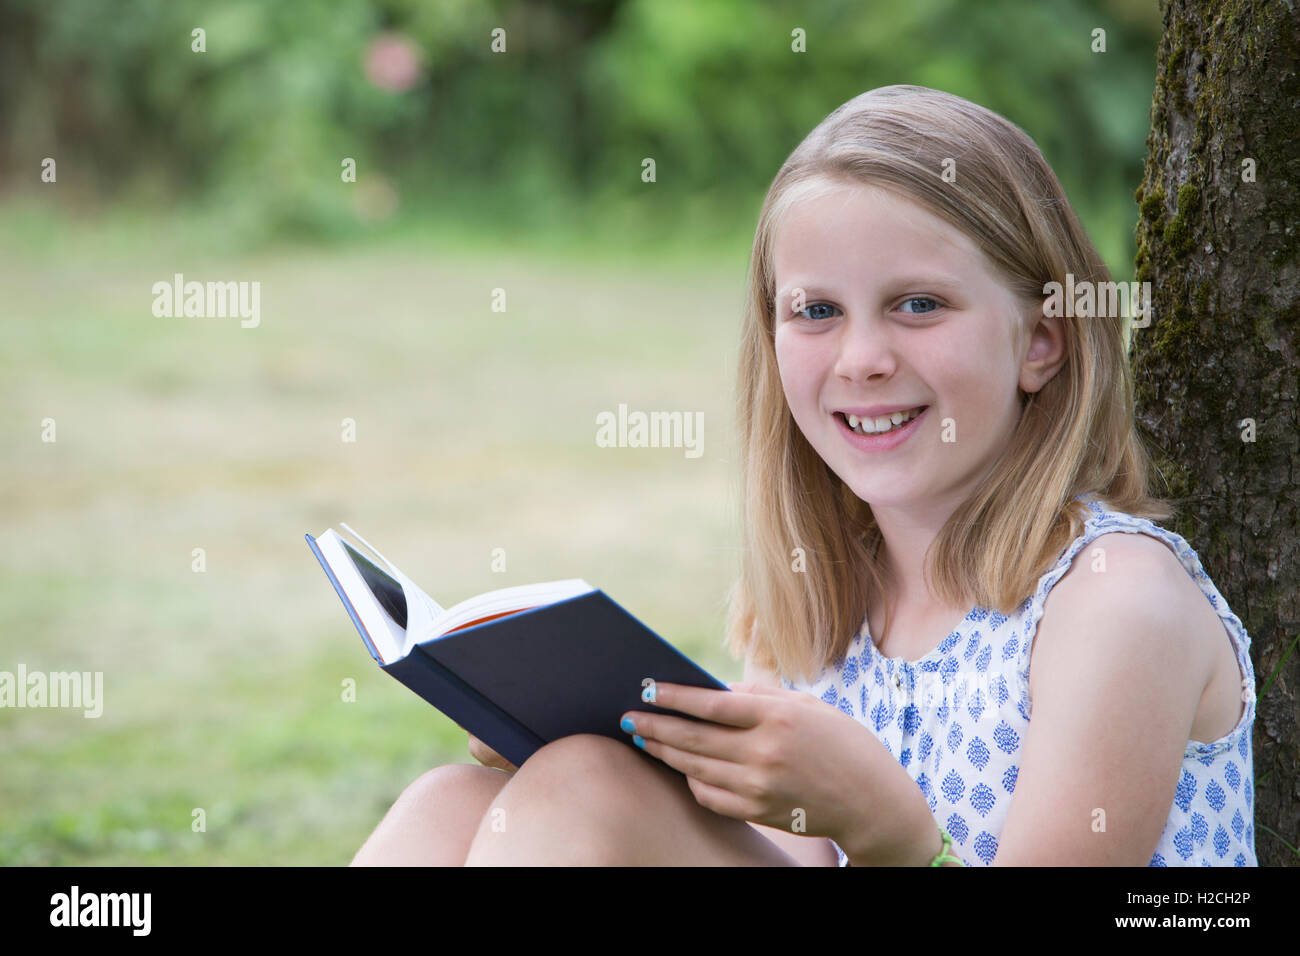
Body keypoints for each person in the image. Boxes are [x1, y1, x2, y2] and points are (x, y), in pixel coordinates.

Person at [350, 85, 1257, 866]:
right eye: (817, 310)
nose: (862, 357)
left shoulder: (1113, 599)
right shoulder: (817, 597)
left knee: (581, 791)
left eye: (918, 304)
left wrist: (894, 836)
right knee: (459, 804)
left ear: (1042, 341)